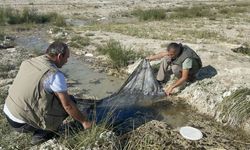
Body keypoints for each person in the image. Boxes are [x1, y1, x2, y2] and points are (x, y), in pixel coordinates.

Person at [3, 41, 92, 145]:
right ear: (59, 56)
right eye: (66, 58)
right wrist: (85, 122)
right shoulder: (54, 74)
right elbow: (68, 106)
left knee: (55, 97)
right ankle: (43, 133)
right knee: (70, 101)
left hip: (8, 112)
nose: (67, 61)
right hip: (22, 123)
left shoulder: (30, 61)